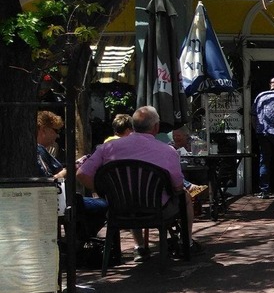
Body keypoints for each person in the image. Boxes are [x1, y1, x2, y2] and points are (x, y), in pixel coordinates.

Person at [76, 106, 201, 262]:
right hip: (158, 210)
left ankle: (139, 246)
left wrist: (105, 192)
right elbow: (177, 187)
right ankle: (186, 242)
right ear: (156, 127)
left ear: (133, 126)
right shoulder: (168, 151)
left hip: (119, 209)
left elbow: (81, 174)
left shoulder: (108, 148)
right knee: (186, 197)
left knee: (130, 194)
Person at [37, 111, 108, 238]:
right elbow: (50, 180)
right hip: (54, 202)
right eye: (56, 131)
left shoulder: (39, 149)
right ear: (43, 130)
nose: (58, 136)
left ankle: (78, 239)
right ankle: (79, 241)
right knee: (104, 205)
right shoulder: (38, 150)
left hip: (54, 201)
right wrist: (72, 168)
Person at [169, 127, 209, 198]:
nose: (175, 138)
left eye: (178, 136)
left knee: (206, 172)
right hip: (181, 169)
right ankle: (188, 194)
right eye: (173, 136)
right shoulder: (171, 145)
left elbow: (204, 149)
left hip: (196, 167)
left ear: (186, 135)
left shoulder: (196, 141)